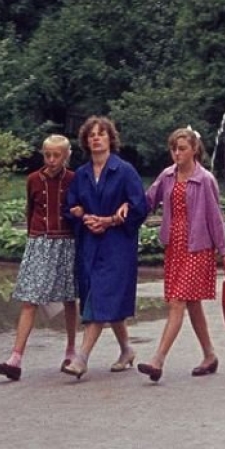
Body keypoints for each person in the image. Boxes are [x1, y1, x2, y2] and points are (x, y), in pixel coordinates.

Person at [138, 126, 225, 383]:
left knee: (179, 300)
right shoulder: (167, 176)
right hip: (175, 245)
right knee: (192, 303)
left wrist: (224, 252)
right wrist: (124, 210)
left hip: (198, 247)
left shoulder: (205, 179)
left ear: (194, 150)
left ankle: (158, 360)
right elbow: (147, 201)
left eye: (181, 149)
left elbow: (215, 218)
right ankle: (210, 355)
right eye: (173, 148)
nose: (176, 153)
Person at [61, 116, 148, 380]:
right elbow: (69, 207)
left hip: (117, 245)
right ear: (86, 141)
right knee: (102, 299)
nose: (96, 138)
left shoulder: (124, 171)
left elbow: (140, 206)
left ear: (111, 138)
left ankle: (81, 359)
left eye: (102, 134)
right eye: (91, 135)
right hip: (90, 244)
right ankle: (126, 350)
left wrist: (112, 219)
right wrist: (83, 217)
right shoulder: (82, 174)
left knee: (99, 298)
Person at [0, 134, 78, 381]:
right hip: (39, 243)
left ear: (66, 156)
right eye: (47, 154)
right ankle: (15, 358)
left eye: (56, 155)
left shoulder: (73, 180)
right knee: (30, 298)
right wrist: (34, 238)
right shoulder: (32, 180)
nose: (51, 160)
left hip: (66, 242)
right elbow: (30, 210)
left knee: (70, 297)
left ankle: (71, 350)